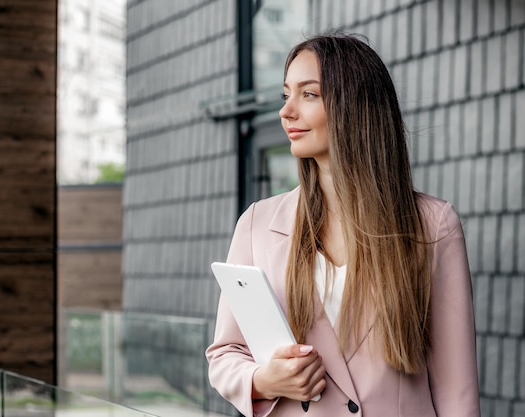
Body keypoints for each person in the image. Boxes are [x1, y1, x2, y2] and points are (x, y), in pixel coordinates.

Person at [206, 32, 480, 417]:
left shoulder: (432, 227)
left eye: (308, 94)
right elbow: (226, 353)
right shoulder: (257, 224)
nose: (286, 111)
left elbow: (458, 394)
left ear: (355, 106)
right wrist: (265, 380)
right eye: (286, 95)